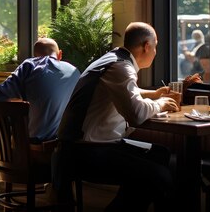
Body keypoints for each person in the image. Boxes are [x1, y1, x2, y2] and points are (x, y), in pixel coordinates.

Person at [54, 22, 179, 212]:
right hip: (86, 151)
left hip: (75, 147)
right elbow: (136, 114)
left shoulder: (111, 59)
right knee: (160, 176)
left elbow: (124, 91)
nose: (155, 52)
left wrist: (152, 95)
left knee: (161, 155)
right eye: (155, 46)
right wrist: (161, 103)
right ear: (147, 46)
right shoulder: (121, 67)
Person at [0, 37, 80, 143]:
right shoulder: (75, 72)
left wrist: (15, 102)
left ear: (35, 56)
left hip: (33, 145)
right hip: (64, 145)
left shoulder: (31, 66)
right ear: (60, 54)